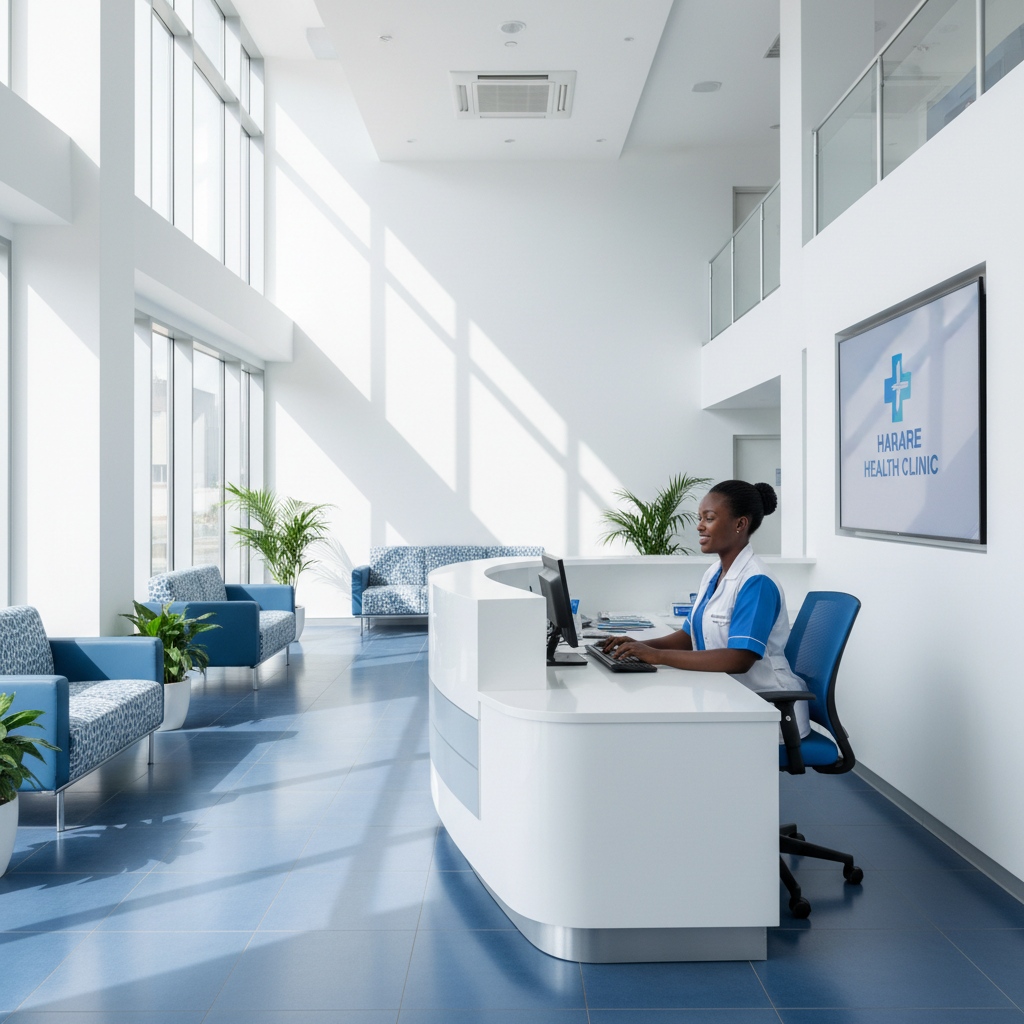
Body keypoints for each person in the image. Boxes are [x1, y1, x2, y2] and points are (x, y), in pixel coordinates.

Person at [602, 479, 811, 739]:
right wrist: (640, 646)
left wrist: (658, 656)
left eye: (709, 518)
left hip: (765, 708)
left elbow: (739, 659)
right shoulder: (714, 573)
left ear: (740, 524)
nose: (700, 526)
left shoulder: (756, 582)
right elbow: (689, 635)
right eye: (700, 518)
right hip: (726, 698)